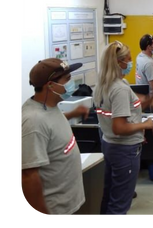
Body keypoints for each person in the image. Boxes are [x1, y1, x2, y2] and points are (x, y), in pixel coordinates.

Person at [94, 41, 153, 218]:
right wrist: (145, 125)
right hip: (124, 150)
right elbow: (120, 127)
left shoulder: (101, 85)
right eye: (128, 61)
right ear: (119, 63)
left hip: (110, 145)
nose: (130, 64)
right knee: (120, 204)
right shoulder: (120, 89)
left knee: (109, 198)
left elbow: (122, 114)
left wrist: (147, 102)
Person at [19, 58, 87, 217]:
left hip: (65, 208)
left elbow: (50, 126)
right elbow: (28, 176)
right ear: (50, 85)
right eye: (67, 79)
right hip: (53, 212)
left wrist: (71, 114)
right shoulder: (33, 121)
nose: (72, 84)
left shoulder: (50, 107)